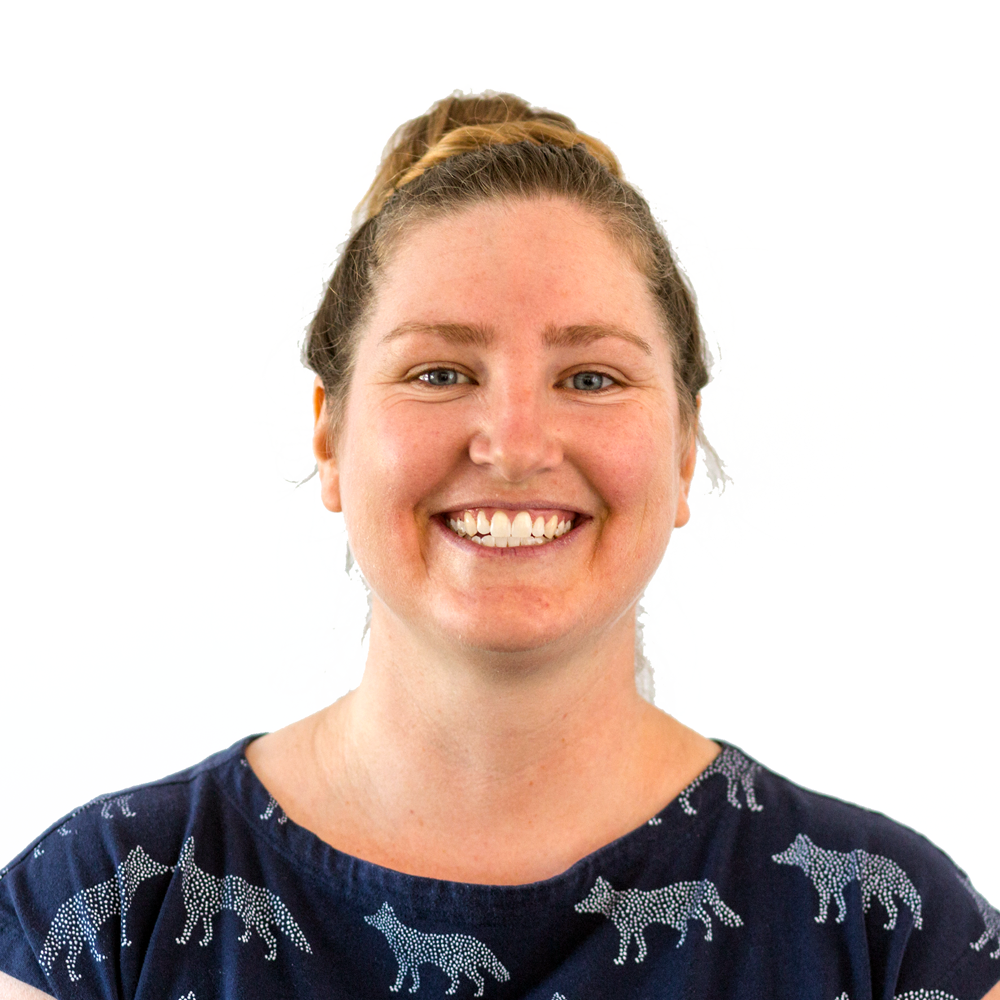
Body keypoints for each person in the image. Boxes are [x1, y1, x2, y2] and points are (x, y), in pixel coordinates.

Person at [1, 91, 997, 1000]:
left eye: (592, 378)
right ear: (330, 437)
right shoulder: (97, 915)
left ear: (684, 447)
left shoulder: (893, 933)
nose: (515, 444)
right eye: (438, 372)